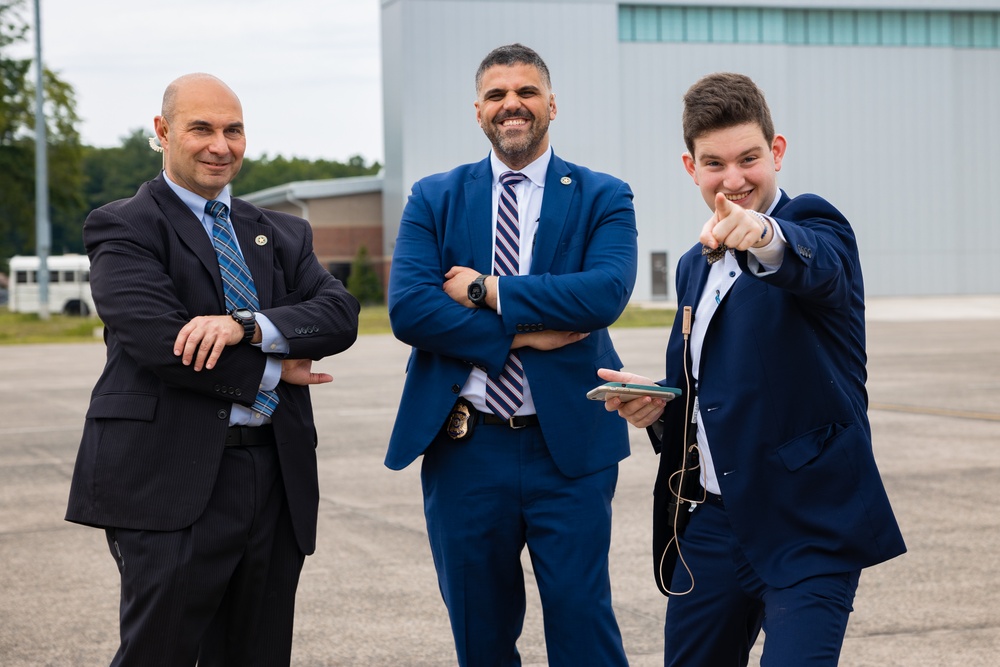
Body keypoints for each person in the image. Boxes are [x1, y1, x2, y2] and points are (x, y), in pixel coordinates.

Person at [599, 72, 906, 665]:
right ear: (690, 167)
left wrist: (763, 233)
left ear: (778, 151)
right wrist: (658, 408)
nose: (733, 180)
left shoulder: (815, 226)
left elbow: (815, 265)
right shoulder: (695, 265)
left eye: (749, 158)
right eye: (714, 164)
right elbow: (706, 393)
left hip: (808, 523)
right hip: (712, 525)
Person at [65, 73, 361, 667]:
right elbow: (162, 342)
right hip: (168, 479)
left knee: (258, 654)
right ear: (163, 131)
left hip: (274, 476)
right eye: (201, 128)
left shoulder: (282, 232)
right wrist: (276, 370)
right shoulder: (123, 226)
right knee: (160, 652)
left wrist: (245, 325)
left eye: (233, 130)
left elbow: (339, 315)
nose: (219, 145)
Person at [385, 44, 637, 666]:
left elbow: (603, 292)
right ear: (478, 112)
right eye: (497, 95)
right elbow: (410, 310)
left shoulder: (604, 194)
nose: (511, 105)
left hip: (568, 453)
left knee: (584, 629)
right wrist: (520, 334)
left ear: (551, 104)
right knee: (481, 634)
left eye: (525, 92)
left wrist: (485, 290)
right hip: (468, 448)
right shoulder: (434, 197)